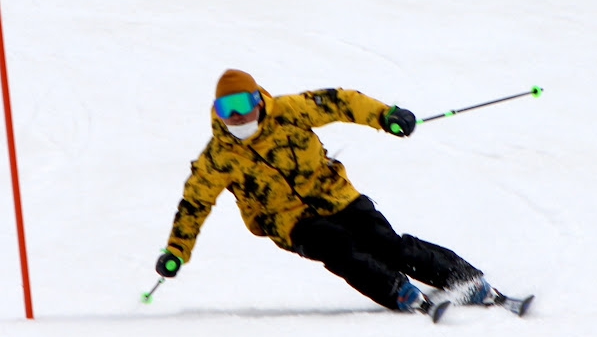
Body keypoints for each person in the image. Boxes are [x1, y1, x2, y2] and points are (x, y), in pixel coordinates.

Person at [155, 69, 504, 318]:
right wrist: (176, 252)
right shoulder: (217, 158)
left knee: (387, 244)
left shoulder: (290, 111)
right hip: (288, 221)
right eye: (225, 111)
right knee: (337, 247)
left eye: (243, 104)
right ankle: (396, 290)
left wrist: (386, 116)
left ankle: (464, 280)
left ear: (258, 99)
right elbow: (194, 204)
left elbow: (340, 102)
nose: (237, 117)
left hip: (336, 195)